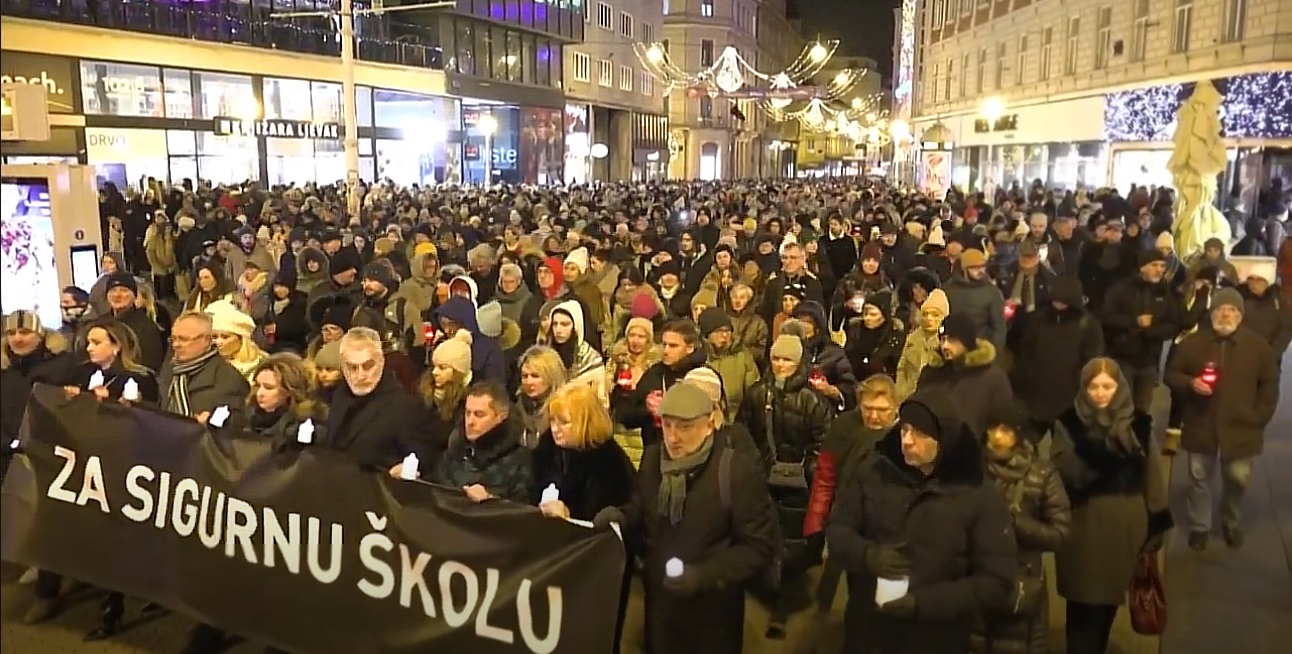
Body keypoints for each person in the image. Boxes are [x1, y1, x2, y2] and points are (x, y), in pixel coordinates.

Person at [826, 391, 1017, 654]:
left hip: (936, 636)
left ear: (944, 440)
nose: (906, 441)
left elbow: (996, 580)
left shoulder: (976, 493)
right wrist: (868, 555)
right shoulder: (874, 470)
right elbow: (838, 530)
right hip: (869, 629)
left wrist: (922, 604)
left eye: (920, 434)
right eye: (904, 429)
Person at [593, 382, 778, 654]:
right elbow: (642, 511)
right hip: (661, 604)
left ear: (709, 424)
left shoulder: (735, 472)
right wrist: (620, 518)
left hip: (713, 614)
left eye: (685, 427)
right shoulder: (653, 460)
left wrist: (702, 576)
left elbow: (759, 547)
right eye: (667, 426)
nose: (673, 437)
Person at [1050, 358, 1173, 654]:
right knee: (1081, 610)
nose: (1101, 393)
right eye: (1094, 386)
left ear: (1120, 387)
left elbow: (1152, 477)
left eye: (1108, 386)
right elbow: (1063, 472)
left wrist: (1156, 522)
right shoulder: (1068, 424)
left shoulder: (1139, 425)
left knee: (1107, 606)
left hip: (1124, 531)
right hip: (1083, 530)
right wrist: (1106, 456)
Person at [1164, 287, 1280, 550]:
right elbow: (1171, 373)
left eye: (1232, 310)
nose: (1226, 314)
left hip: (1242, 426)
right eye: (1220, 309)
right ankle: (1200, 526)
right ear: (1212, 312)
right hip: (1201, 423)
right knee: (1199, 479)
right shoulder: (1194, 343)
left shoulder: (1257, 346)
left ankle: (1230, 520)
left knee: (1237, 479)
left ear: (1240, 314)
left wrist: (1259, 416)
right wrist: (1190, 383)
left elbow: (1270, 384)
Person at [741, 333, 834, 638]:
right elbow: (745, 434)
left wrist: (803, 469)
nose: (781, 365)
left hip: (799, 486)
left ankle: (783, 607)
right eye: (777, 358)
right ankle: (769, 591)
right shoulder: (757, 394)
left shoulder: (813, 401)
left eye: (787, 360)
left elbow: (823, 443)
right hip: (763, 481)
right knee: (766, 539)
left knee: (793, 546)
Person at [533, 381, 636, 653]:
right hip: (548, 562)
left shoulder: (610, 463)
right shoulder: (546, 450)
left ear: (585, 421)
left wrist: (570, 515)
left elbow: (614, 520)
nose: (555, 428)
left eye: (564, 422)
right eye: (553, 420)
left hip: (590, 570)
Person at [972, 406, 1071, 654]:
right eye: (992, 428)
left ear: (1019, 434)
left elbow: (1059, 533)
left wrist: (1013, 522)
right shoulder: (973, 470)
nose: (996, 436)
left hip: (1022, 582)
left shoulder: (1042, 473)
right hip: (975, 578)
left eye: (1005, 429)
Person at [410, 380, 533, 504]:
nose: (470, 421)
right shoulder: (455, 449)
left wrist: (491, 500)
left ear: (500, 417)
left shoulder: (518, 461)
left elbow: (522, 512)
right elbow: (436, 485)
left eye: (479, 414)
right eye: (468, 413)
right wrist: (413, 480)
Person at [326, 327, 428, 472]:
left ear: (381, 361)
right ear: (342, 365)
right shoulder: (339, 394)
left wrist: (410, 469)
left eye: (368, 366)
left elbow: (424, 457)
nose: (360, 375)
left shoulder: (404, 407)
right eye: (352, 367)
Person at [247, 353, 327, 450]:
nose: (259, 393)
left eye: (269, 387)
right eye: (258, 385)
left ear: (290, 390)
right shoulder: (247, 415)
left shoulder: (305, 428)